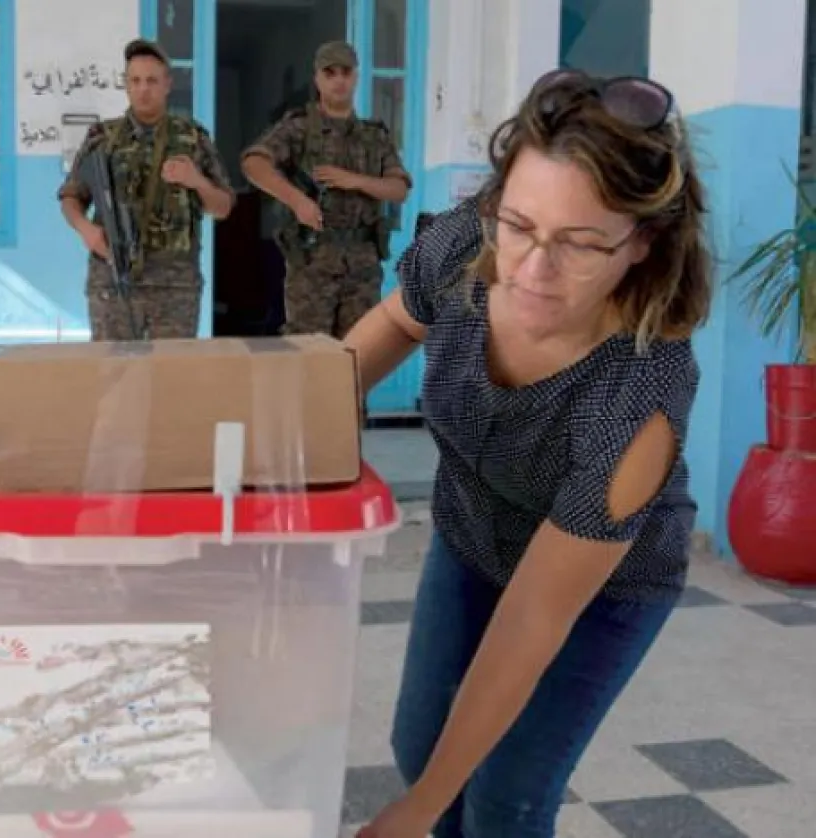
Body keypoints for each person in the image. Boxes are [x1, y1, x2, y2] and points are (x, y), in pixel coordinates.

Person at [348, 68, 710, 838]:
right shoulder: (466, 245)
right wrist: (277, 438)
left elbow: (534, 616)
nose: (533, 270)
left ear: (641, 243)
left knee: (505, 792)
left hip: (605, 586)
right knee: (421, 751)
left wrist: (412, 816)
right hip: (473, 529)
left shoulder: (635, 394)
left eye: (580, 244)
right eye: (519, 226)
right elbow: (370, 345)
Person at [59, 39, 234, 340]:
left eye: (152, 80)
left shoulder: (193, 137)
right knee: (114, 376)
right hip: (113, 281)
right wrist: (86, 229)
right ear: (126, 85)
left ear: (167, 84)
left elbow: (223, 207)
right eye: (135, 80)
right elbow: (71, 196)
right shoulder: (103, 137)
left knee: (170, 379)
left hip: (174, 287)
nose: (143, 89)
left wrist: (197, 181)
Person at [241, 41, 411, 338]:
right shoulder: (299, 128)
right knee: (309, 355)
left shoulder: (374, 135)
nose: (338, 80)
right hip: (312, 263)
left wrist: (355, 180)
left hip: (362, 266)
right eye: (329, 73)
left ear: (356, 77)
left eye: (345, 72)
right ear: (318, 79)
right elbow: (254, 163)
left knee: (358, 353)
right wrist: (297, 201)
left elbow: (399, 189)